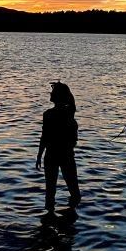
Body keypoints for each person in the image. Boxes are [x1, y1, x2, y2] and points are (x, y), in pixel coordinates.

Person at [36, 81, 81, 215]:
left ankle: (49, 218)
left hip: (51, 155)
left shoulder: (48, 114)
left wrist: (39, 155)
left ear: (56, 97)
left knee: (50, 192)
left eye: (53, 92)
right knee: (74, 191)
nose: (50, 93)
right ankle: (72, 218)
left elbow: (44, 137)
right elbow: (72, 101)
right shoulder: (69, 113)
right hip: (66, 155)